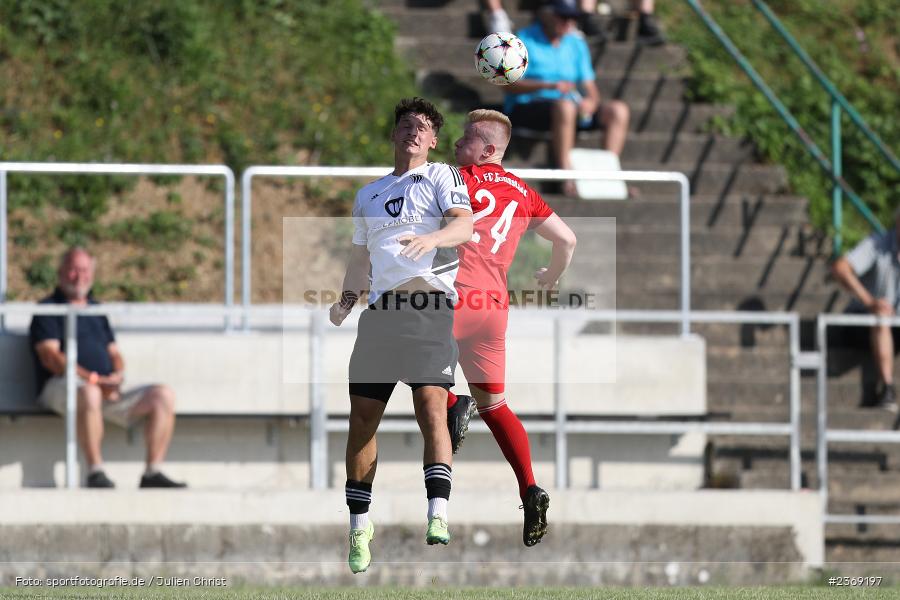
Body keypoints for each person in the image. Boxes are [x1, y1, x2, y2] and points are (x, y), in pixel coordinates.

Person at [329, 97, 474, 574]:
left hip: (428, 308)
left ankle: (437, 512)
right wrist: (346, 301)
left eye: (424, 127)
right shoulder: (369, 194)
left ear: (433, 140)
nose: (414, 131)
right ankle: (359, 525)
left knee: (430, 405)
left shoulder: (441, 176)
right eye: (407, 125)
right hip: (380, 316)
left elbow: (464, 225)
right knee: (362, 419)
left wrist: (431, 239)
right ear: (394, 135)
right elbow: (359, 260)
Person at [447, 109, 577, 547]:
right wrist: (552, 276)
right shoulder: (524, 192)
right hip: (495, 307)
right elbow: (567, 240)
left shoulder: (459, 177)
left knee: (400, 353)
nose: (455, 144)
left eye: (464, 138)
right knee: (496, 406)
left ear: (486, 149)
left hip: (459, 294)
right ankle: (530, 488)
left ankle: (451, 404)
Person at [29, 248, 185, 489]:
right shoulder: (49, 309)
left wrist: (116, 376)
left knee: (163, 395)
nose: (78, 276)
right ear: (60, 272)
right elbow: (52, 358)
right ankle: (95, 472)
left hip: (104, 388)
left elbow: (114, 353)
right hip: (63, 387)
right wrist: (92, 379)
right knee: (89, 393)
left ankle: (153, 471)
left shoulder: (96, 311)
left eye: (84, 270)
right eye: (73, 269)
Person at [505, 0, 630, 198]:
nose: (569, 22)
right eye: (563, 17)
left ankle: (610, 176)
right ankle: (567, 178)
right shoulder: (522, 40)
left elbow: (590, 88)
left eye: (573, 18)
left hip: (569, 106)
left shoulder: (576, 43)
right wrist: (548, 85)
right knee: (565, 107)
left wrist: (591, 103)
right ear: (546, 15)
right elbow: (509, 85)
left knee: (618, 110)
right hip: (529, 107)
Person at [831, 210, 900, 412]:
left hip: (894, 326)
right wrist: (870, 302)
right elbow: (840, 268)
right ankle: (887, 388)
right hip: (861, 322)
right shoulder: (877, 243)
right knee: (881, 316)